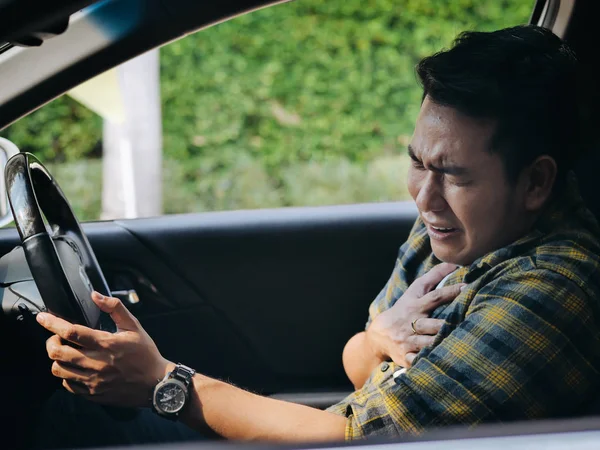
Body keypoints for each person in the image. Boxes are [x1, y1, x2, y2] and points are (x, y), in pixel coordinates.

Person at [29, 24, 600, 448]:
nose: (423, 198)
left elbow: (359, 442)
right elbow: (358, 363)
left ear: (535, 182)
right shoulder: (462, 230)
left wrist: (163, 382)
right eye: (417, 162)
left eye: (454, 174)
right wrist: (379, 338)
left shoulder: (553, 291)